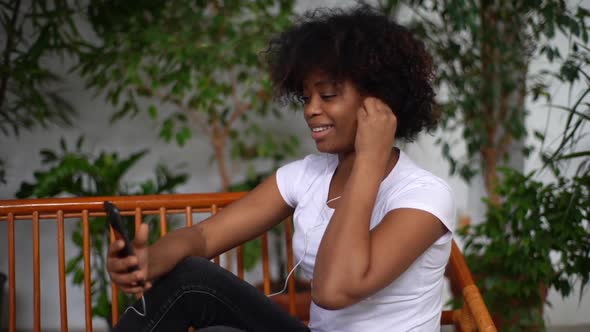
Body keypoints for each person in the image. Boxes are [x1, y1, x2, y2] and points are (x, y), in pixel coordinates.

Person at [107, 6, 455, 332]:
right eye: (306, 98)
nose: (311, 110)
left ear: (379, 101)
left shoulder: (423, 195)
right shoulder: (305, 176)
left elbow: (334, 290)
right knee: (197, 293)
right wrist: (149, 260)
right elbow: (203, 237)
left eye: (328, 95)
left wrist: (368, 160)